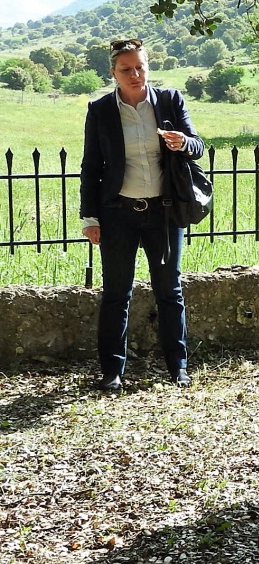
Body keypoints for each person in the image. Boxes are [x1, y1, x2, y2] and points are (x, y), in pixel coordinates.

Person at [79, 38, 204, 391]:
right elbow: (91, 166)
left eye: (140, 67)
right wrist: (90, 217)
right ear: (113, 72)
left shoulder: (169, 100)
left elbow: (198, 146)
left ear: (148, 67)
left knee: (169, 290)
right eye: (126, 69)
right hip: (117, 214)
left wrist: (183, 142)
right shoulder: (101, 109)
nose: (135, 74)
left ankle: (178, 368)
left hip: (163, 213)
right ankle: (112, 372)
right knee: (116, 293)